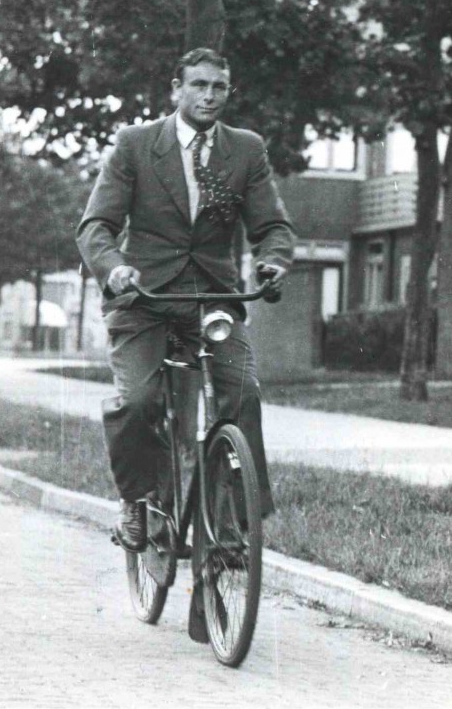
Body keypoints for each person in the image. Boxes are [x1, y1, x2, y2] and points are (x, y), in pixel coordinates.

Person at [76, 47, 295, 555]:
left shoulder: (245, 149)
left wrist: (274, 260)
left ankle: (236, 527)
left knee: (241, 393)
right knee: (136, 402)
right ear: (176, 89)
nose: (209, 96)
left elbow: (273, 226)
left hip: (213, 296)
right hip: (144, 297)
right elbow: (96, 227)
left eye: (219, 87)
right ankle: (139, 501)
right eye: (198, 85)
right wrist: (115, 269)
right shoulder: (135, 144)